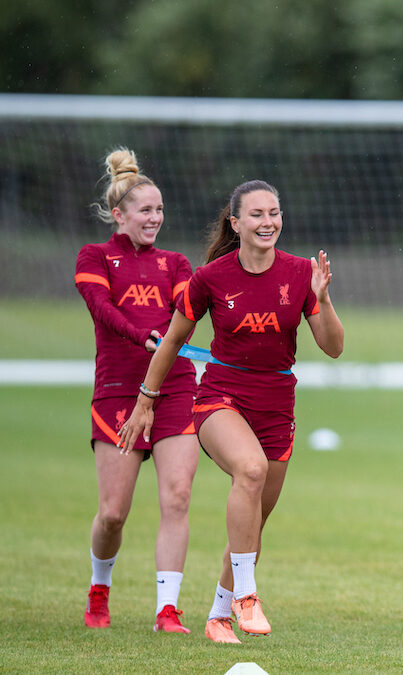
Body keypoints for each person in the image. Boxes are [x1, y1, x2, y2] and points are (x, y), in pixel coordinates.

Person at [118, 180, 344, 644]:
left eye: (274, 213)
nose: (268, 222)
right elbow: (174, 340)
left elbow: (333, 347)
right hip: (221, 400)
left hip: (278, 409)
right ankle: (247, 596)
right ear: (236, 224)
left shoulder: (302, 273)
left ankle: (219, 616)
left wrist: (323, 298)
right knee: (251, 468)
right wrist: (147, 399)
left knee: (252, 523)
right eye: (257, 215)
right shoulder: (210, 278)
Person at [75, 147, 199, 633]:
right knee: (112, 514)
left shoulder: (176, 263)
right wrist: (142, 336)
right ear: (119, 214)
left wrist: (167, 340)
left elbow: (185, 317)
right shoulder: (94, 256)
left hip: (174, 388)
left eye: (160, 209)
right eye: (146, 210)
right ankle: (99, 589)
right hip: (118, 392)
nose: (156, 218)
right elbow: (102, 308)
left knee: (178, 496)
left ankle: (167, 610)